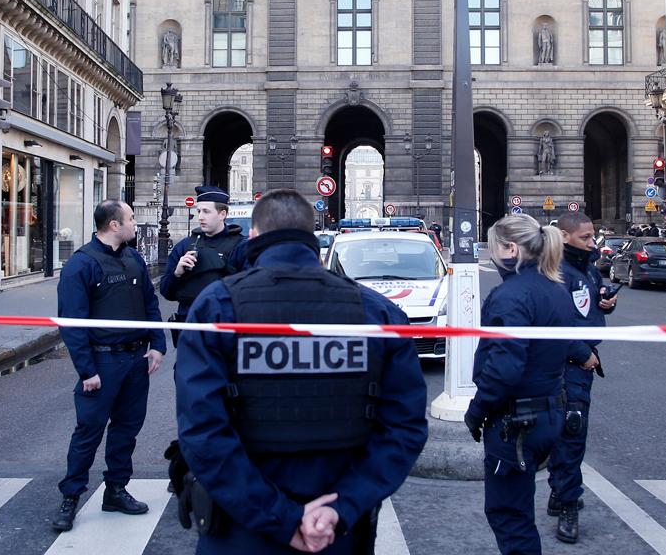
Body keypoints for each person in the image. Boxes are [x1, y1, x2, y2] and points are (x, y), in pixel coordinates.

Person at [174, 189, 428, 554]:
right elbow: (404, 427)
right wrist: (342, 508)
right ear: (314, 240)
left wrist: (279, 517)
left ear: (253, 236)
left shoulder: (217, 305)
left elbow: (201, 431)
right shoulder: (377, 313)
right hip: (338, 532)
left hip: (241, 530)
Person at [52, 200, 166, 532]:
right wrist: (87, 370)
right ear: (113, 225)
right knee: (88, 432)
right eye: (130, 218)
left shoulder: (133, 259)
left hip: (135, 360)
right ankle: (71, 497)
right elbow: (71, 323)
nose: (134, 223)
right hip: (102, 360)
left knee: (126, 429)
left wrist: (157, 345)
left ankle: (116, 489)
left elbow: (150, 303)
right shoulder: (81, 264)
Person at [463, 215, 570, 555]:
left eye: (493, 247)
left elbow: (506, 366)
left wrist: (478, 408)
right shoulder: (555, 287)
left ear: (511, 249)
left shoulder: (510, 295)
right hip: (549, 410)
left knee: (509, 515)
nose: (491, 255)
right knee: (519, 512)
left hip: (516, 421)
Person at [548, 212, 617, 544]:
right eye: (586, 238)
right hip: (566, 362)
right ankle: (567, 503)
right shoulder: (555, 272)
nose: (593, 243)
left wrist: (606, 302)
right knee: (571, 429)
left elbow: (588, 304)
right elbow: (553, 322)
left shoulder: (586, 267)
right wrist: (581, 353)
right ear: (563, 236)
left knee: (568, 431)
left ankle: (560, 489)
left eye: (593, 237)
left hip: (581, 362)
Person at [160, 186, 246, 348]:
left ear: (222, 214)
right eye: (198, 211)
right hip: (190, 327)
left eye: (206, 212)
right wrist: (177, 273)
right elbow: (166, 291)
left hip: (224, 328)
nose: (200, 217)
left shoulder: (240, 246)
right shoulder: (185, 245)